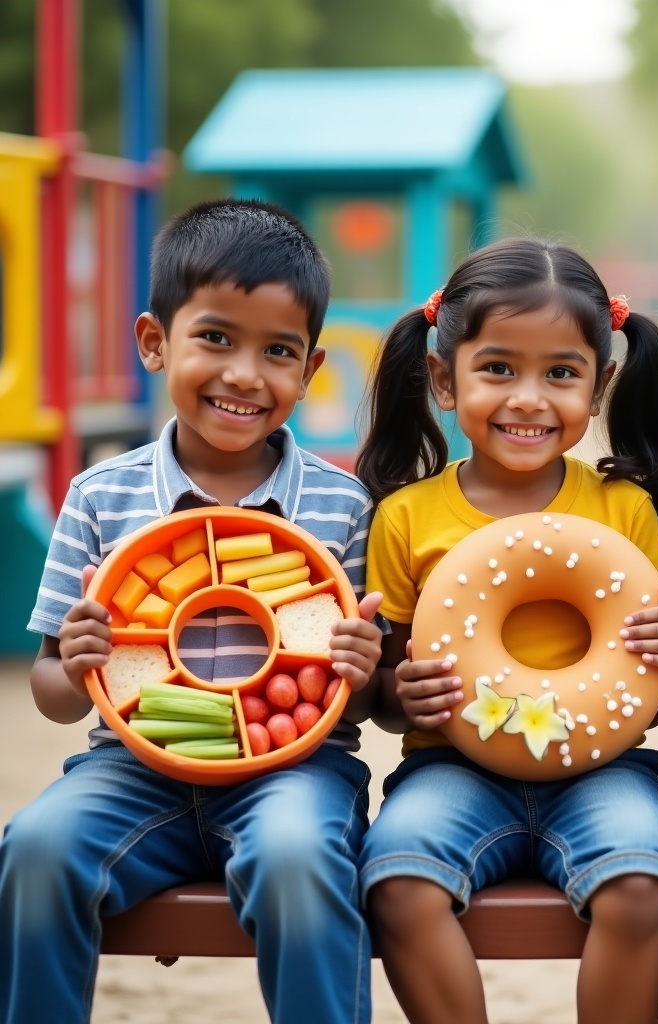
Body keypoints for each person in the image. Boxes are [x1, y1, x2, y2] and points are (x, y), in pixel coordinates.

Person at [0, 199, 384, 1024]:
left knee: (296, 859)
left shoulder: (341, 504)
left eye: (278, 352)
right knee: (35, 849)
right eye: (216, 338)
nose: (245, 375)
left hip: (294, 772)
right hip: (133, 770)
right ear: (154, 343)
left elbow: (362, 693)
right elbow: (52, 691)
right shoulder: (103, 498)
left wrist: (364, 666)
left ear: (310, 370)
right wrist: (72, 658)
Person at [355, 237, 658, 1024]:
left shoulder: (624, 510)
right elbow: (386, 698)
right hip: (453, 771)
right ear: (444, 376)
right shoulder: (406, 518)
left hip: (606, 773)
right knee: (398, 881)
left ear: (600, 385)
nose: (529, 399)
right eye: (499, 369)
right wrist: (399, 692)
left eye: (561, 374)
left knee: (643, 884)